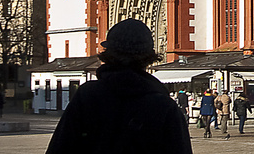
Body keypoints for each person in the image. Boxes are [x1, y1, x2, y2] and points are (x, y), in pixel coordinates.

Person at [44, 18, 194, 154]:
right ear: (149, 57)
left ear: (108, 53)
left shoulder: (87, 96)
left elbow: (59, 148)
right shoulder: (164, 107)